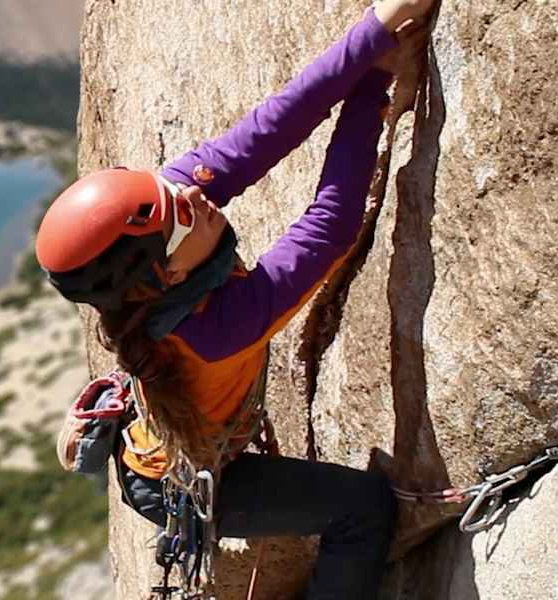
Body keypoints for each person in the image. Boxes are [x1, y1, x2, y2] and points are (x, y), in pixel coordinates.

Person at [37, 1, 436, 597]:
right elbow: (328, 226)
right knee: (362, 509)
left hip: (165, 432)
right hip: (177, 481)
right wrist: (371, 87)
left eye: (174, 189)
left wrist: (375, 34)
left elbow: (275, 123)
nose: (194, 198)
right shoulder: (216, 330)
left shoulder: (163, 224)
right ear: (166, 276)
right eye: (179, 214)